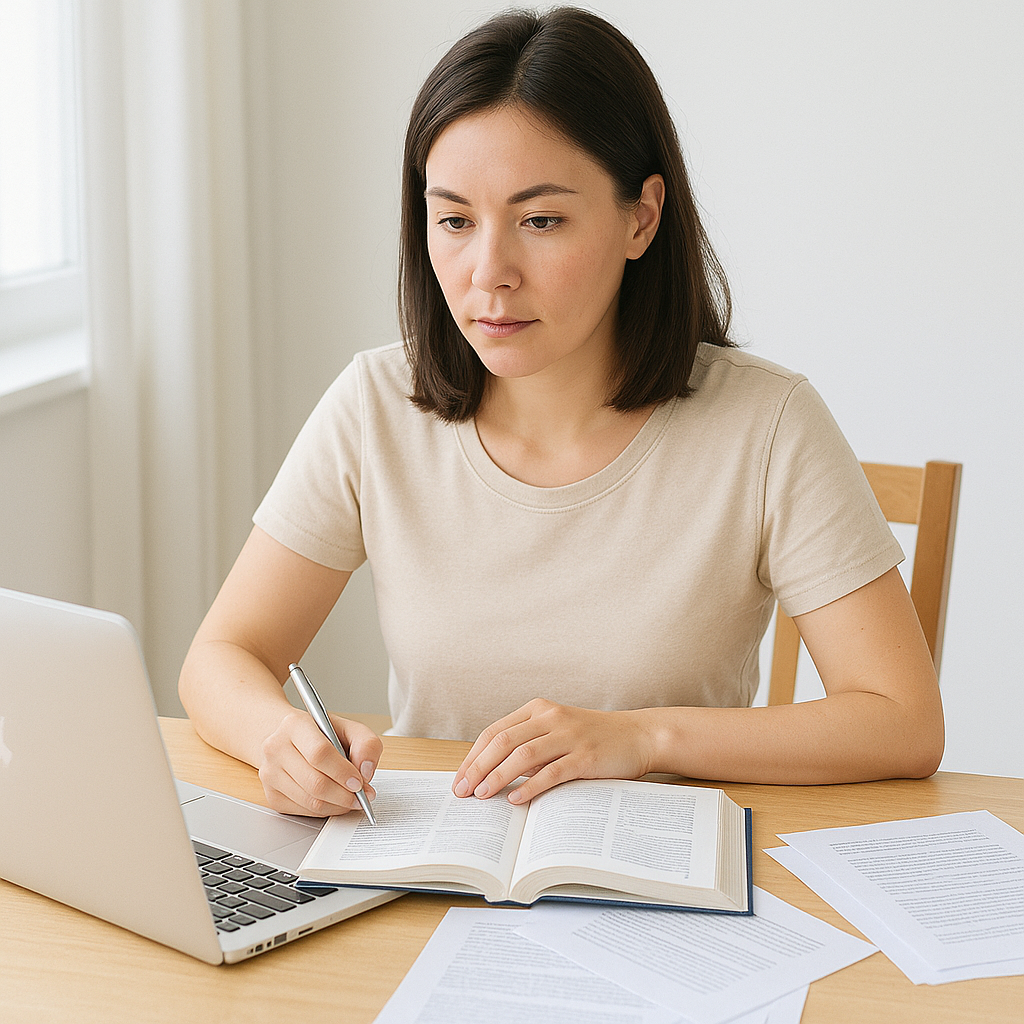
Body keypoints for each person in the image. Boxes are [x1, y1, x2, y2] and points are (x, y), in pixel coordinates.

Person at [178, 7, 944, 819]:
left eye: (540, 220)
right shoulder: (375, 405)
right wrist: (280, 741)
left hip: (662, 889)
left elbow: (903, 722)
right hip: (437, 882)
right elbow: (225, 655)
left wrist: (645, 737)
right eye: (454, 221)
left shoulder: (769, 423)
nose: (489, 272)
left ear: (640, 217)